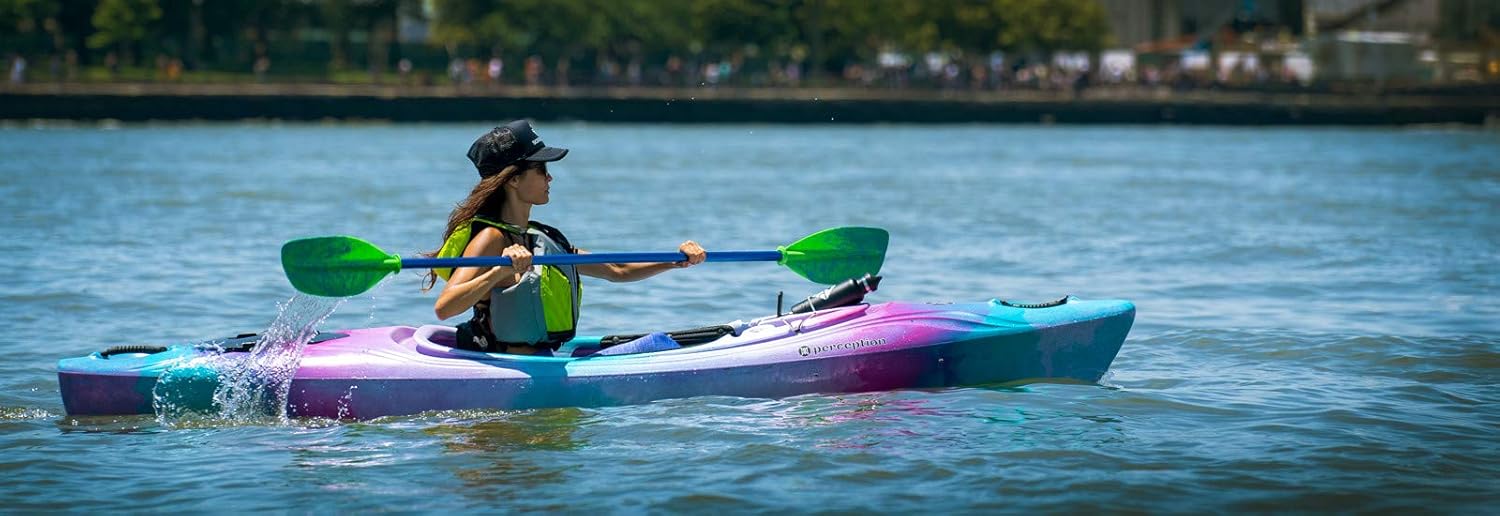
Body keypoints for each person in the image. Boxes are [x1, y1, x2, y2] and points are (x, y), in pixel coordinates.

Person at [424, 120, 706, 355]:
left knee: (657, 344)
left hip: (543, 361)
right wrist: (499, 271)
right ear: (513, 179)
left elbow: (616, 269)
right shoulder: (491, 239)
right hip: (505, 368)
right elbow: (445, 307)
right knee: (658, 345)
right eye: (541, 170)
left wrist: (675, 260)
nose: (550, 179)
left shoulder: (541, 237)